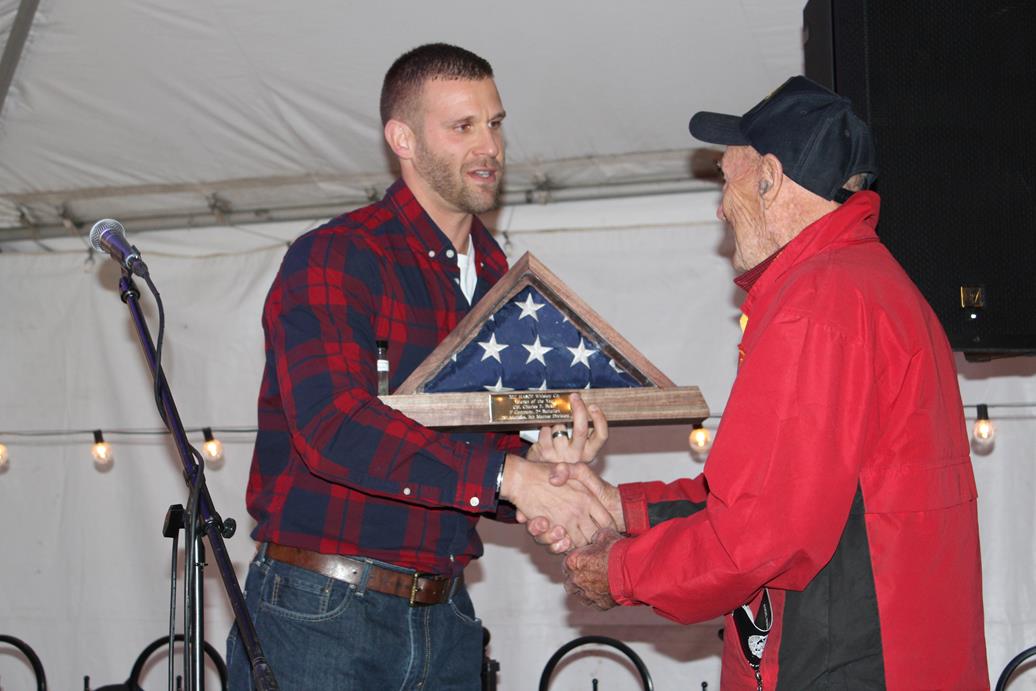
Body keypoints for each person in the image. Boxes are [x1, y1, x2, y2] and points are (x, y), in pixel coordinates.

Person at [533, 76, 990, 689]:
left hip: (839, 663)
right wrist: (616, 506)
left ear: (770, 179)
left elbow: (758, 536)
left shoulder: (821, 303)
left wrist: (618, 571)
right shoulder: (868, 285)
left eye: (726, 179)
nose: (721, 207)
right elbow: (756, 495)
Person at [226, 43, 611, 690]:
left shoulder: (499, 280)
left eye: (494, 122)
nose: (488, 145)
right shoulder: (337, 256)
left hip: (446, 612)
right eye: (462, 127)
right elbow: (335, 426)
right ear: (401, 138)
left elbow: (469, 450)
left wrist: (544, 466)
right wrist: (514, 475)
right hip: (320, 609)